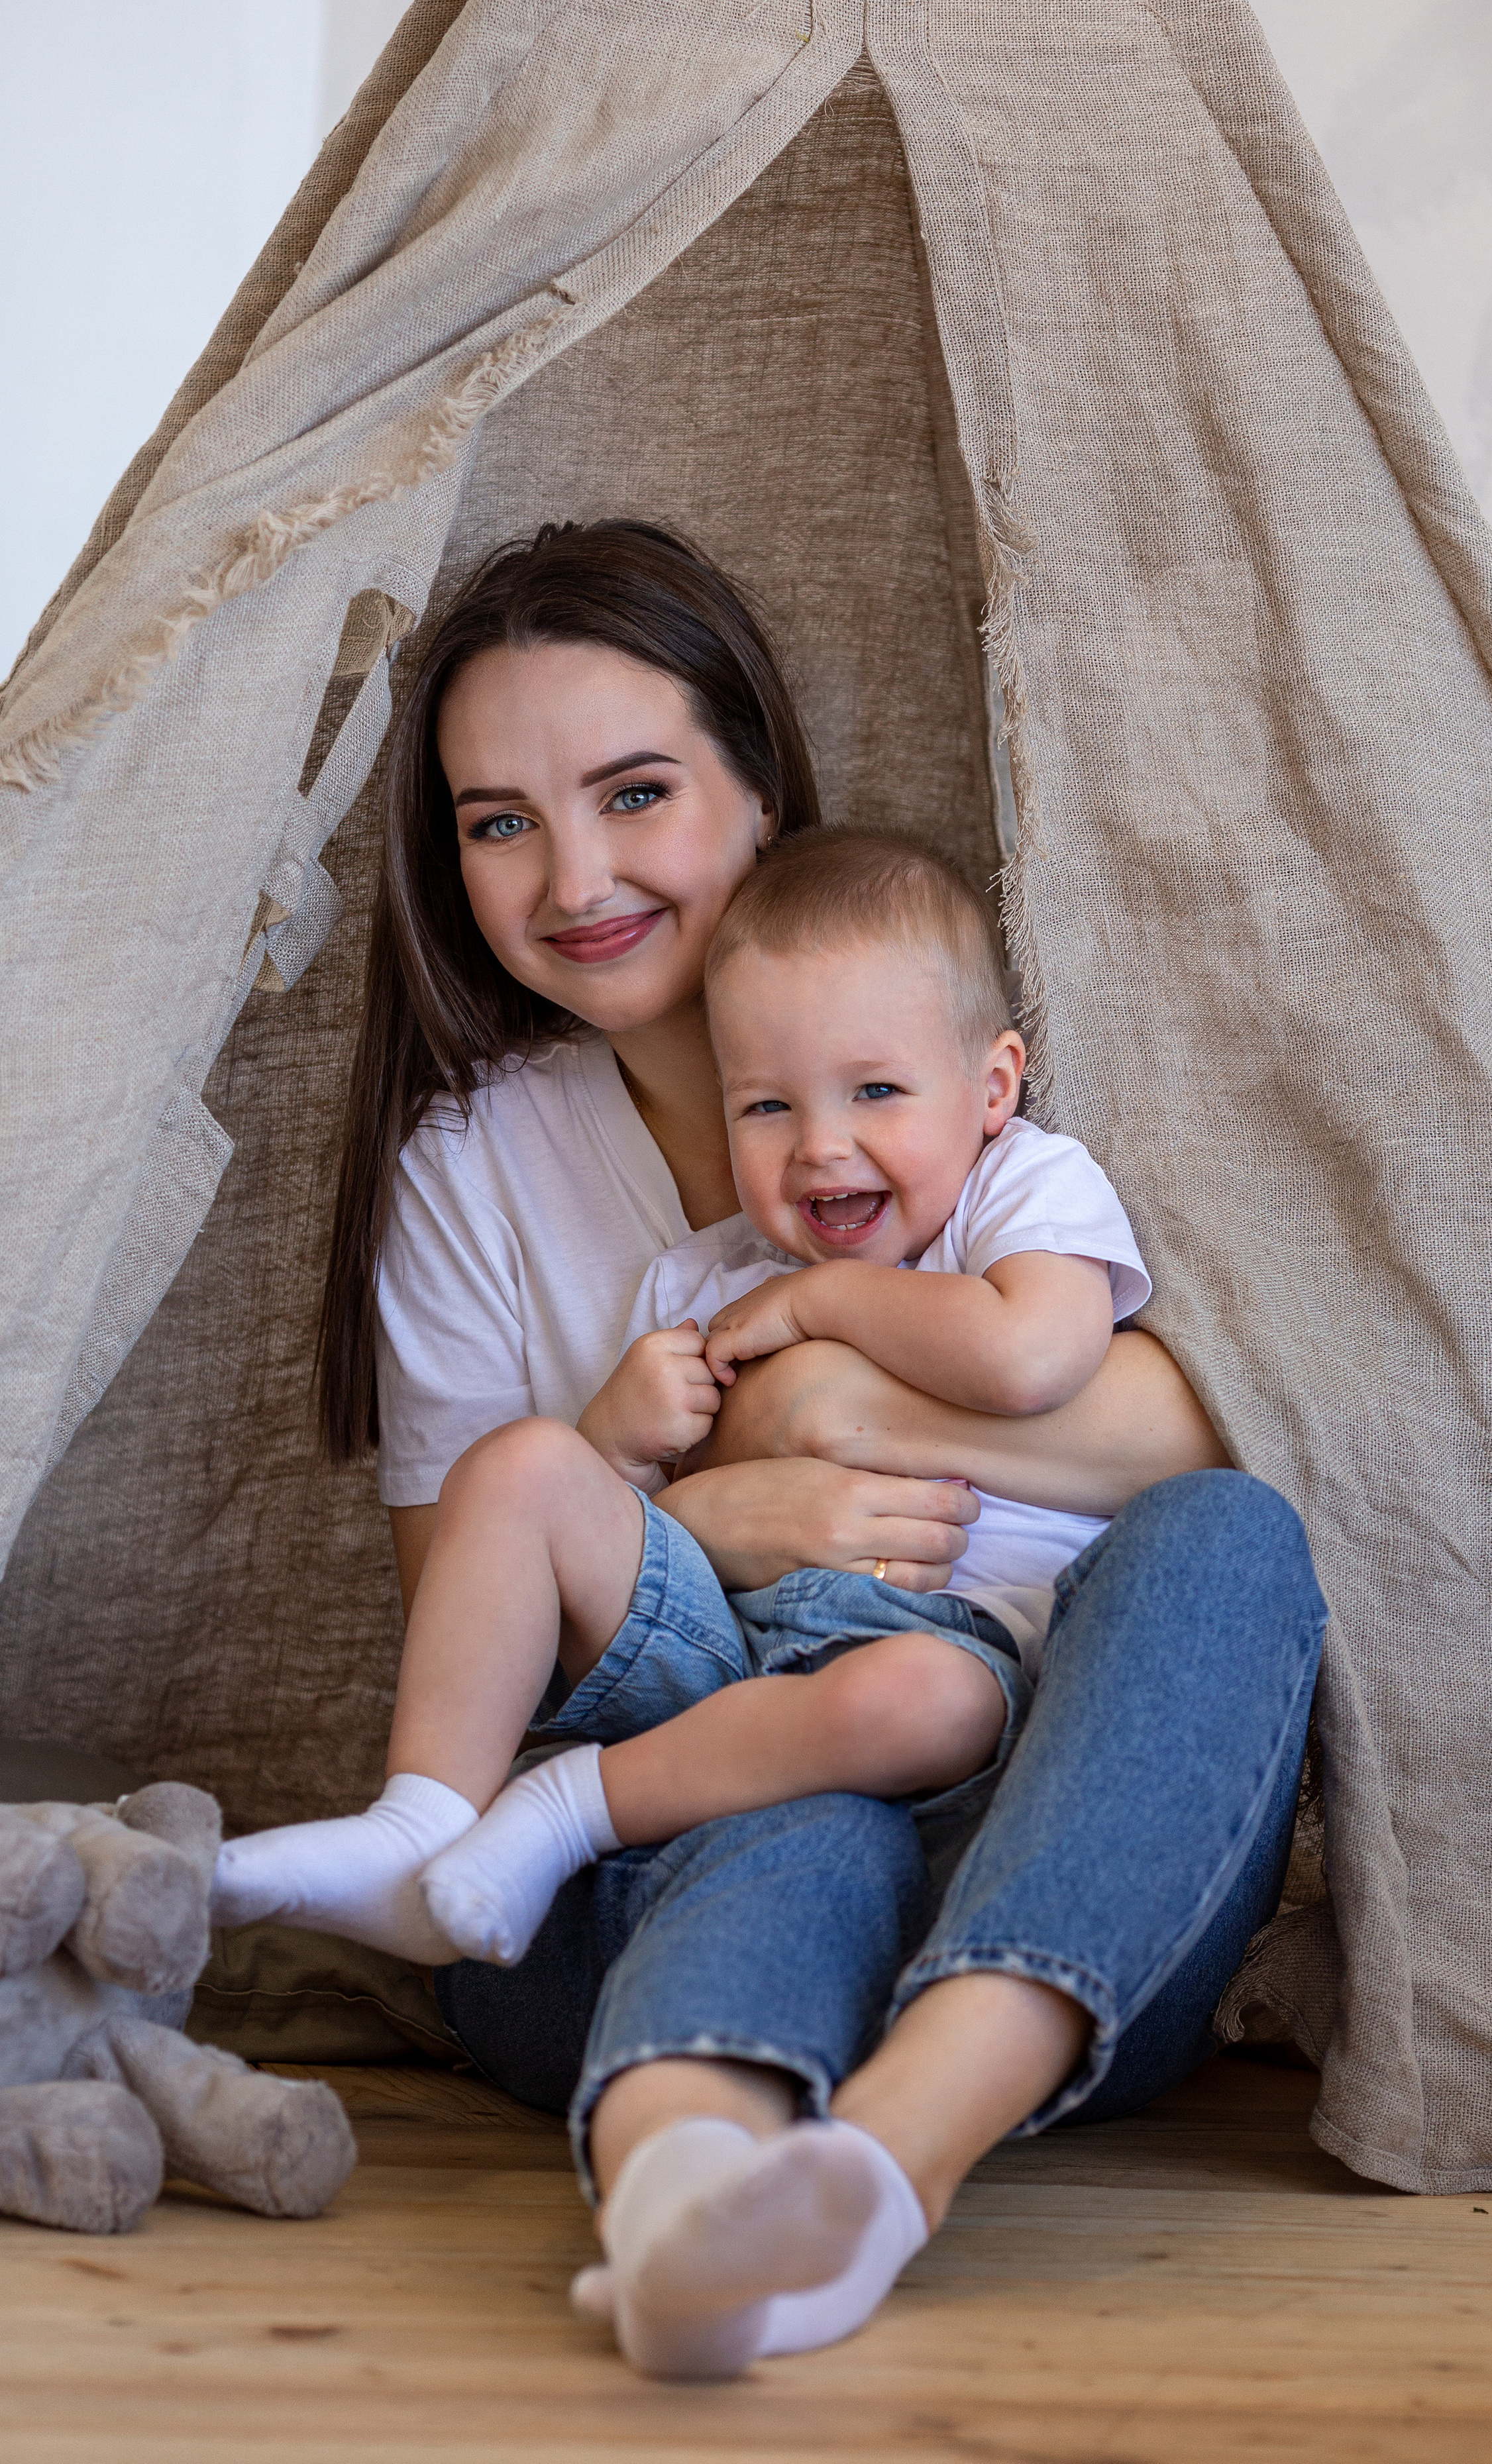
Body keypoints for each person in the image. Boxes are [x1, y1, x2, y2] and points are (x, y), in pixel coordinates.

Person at [271, 521, 1329, 2379]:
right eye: (498, 819)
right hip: (649, 1859)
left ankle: (891, 2155)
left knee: (1230, 1536)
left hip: (1065, 1880)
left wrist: (828, 1400)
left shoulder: (950, 1099)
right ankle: (694, 2200)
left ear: (762, 790)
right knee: (804, 1820)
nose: (573, 873)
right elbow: (482, 1592)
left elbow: (1186, 1431)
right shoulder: (474, 1167)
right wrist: (729, 1501)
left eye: (635, 793)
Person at [213, 829, 1153, 1973]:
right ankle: (420, 1828)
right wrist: (614, 1437)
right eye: (766, 1108)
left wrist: (827, 1307)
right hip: (728, 1649)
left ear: (993, 1084)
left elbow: (1031, 1360)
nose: (821, 1148)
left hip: (957, 1652)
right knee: (517, 1464)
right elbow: (602, 1543)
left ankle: (571, 1807)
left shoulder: (1021, 1188)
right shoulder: (706, 1283)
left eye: (876, 1091)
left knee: (926, 1700)